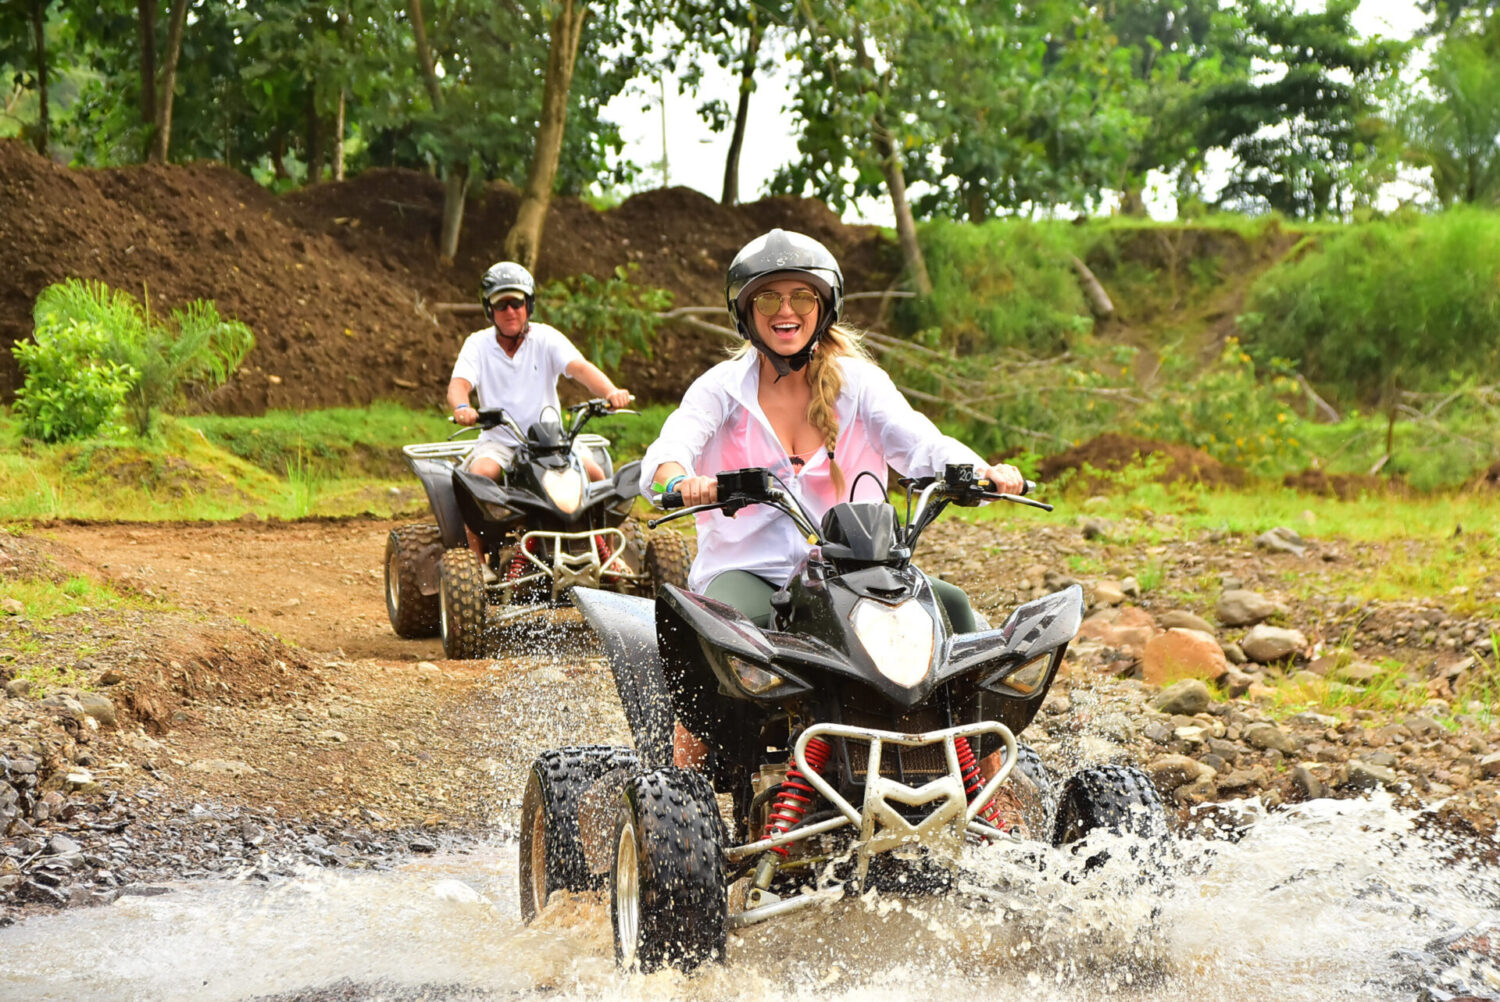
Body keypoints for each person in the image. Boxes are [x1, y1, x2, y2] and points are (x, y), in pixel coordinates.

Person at [639, 229, 1024, 767]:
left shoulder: (860, 385)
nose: (785, 310)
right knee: (721, 637)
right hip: (752, 571)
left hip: (853, 572)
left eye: (802, 296)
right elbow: (669, 452)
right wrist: (679, 481)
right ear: (745, 311)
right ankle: (678, 803)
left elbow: (918, 441)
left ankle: (989, 792)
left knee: (955, 612)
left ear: (825, 308)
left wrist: (979, 471)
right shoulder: (719, 390)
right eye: (769, 297)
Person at [448, 261, 632, 573]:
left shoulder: (546, 338)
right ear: (489, 309)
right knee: (478, 477)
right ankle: (477, 565)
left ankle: (609, 557)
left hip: (552, 442)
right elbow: (459, 384)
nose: (510, 311)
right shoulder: (477, 345)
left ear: (528, 304)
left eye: (516, 302)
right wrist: (462, 407)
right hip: (500, 441)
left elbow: (580, 368)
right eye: (501, 304)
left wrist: (611, 392)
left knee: (598, 476)